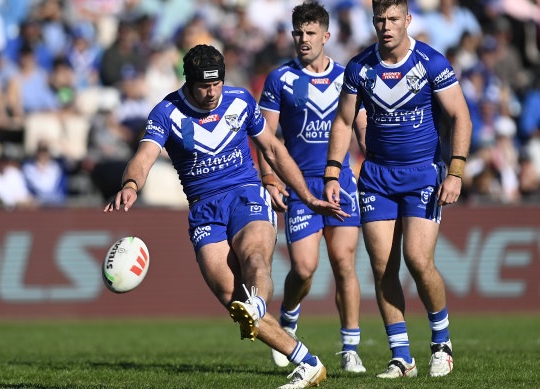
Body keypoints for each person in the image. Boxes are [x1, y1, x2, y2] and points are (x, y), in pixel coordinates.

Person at [104, 44, 347, 389]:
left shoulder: (241, 100)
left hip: (247, 195)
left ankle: (259, 306)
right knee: (232, 298)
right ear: (188, 81)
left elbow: (274, 150)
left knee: (255, 260)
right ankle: (308, 363)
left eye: (216, 83)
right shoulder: (167, 112)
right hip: (204, 208)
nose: (211, 92)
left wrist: (307, 196)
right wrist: (130, 184)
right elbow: (143, 157)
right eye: (204, 86)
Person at [324, 0, 472, 379]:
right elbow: (343, 122)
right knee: (381, 266)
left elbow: (460, 115)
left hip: (423, 173)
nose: (386, 26)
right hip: (376, 175)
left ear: (407, 20)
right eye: (379, 19)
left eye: (393, 19)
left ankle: (442, 345)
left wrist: (455, 170)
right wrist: (332, 173)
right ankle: (401, 358)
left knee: (419, 261)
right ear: (372, 21)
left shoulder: (431, 62)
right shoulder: (359, 66)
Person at [257, 1, 367, 373]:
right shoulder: (279, 79)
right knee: (304, 268)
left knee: (344, 265)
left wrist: (377, 158)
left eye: (310, 33)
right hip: (299, 186)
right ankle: (288, 318)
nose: (303, 39)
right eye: (297, 33)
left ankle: (350, 348)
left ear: (326, 35)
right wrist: (270, 179)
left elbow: (361, 126)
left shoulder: (348, 76)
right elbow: (265, 136)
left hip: (341, 183)